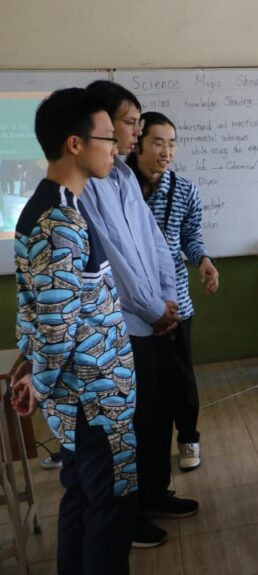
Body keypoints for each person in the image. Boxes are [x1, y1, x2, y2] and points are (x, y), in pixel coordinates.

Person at [12, 87, 137, 573]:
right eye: (108, 137)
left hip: (93, 392)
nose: (116, 146)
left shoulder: (62, 206)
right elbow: (57, 324)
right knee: (104, 509)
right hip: (92, 397)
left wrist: (33, 371)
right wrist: (37, 379)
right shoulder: (59, 219)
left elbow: (46, 311)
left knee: (85, 501)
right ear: (74, 144)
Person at [80, 80, 196, 548]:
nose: (135, 131)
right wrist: (153, 309)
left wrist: (167, 300)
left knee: (158, 411)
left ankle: (154, 491)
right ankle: (130, 516)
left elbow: (153, 246)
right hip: (128, 325)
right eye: (130, 122)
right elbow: (117, 257)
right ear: (102, 125)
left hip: (154, 317)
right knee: (130, 424)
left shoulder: (124, 178)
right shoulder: (90, 186)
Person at [127, 111, 219, 472]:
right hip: (133, 306)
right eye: (157, 143)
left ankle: (189, 438)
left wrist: (204, 260)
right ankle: (147, 453)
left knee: (182, 378)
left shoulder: (185, 190)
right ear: (138, 145)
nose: (166, 152)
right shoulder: (122, 189)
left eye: (172, 144)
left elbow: (190, 237)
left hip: (176, 300)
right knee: (146, 385)